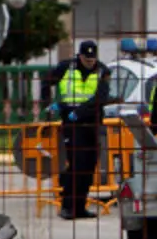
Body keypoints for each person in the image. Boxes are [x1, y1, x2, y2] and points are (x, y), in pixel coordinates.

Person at [43, 41, 113, 220]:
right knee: (76, 164)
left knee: (89, 165)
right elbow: (46, 82)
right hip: (72, 125)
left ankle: (80, 207)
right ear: (80, 56)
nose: (90, 62)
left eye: (92, 59)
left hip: (92, 123)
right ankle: (68, 206)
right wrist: (49, 104)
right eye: (86, 59)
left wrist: (80, 112)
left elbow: (101, 98)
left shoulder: (103, 71)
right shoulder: (65, 67)